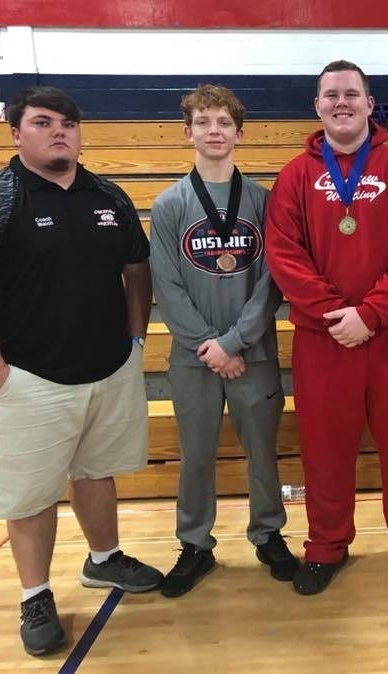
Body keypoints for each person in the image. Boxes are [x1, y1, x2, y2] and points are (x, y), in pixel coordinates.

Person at [0, 86, 162, 656]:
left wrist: (134, 340)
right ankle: (36, 595)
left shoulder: (108, 195)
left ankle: (104, 561)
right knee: (30, 497)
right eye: (44, 122)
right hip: (28, 377)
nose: (59, 132)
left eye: (68, 123)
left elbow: (136, 271)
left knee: (97, 472)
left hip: (106, 368)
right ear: (16, 133)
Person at [265, 60, 388, 594]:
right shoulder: (295, 176)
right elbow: (284, 255)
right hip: (323, 340)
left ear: (370, 104)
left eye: (351, 94)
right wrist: (335, 315)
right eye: (330, 95)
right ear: (317, 106)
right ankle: (325, 545)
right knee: (324, 448)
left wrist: (369, 314)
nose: (341, 102)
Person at [149, 84, 297, 598]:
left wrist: (235, 341)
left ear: (239, 132)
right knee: (195, 454)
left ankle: (269, 534)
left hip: (252, 352)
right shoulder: (169, 205)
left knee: (263, 451)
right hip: (194, 359)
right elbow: (165, 286)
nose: (214, 131)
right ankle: (194, 544)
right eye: (204, 122)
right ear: (187, 131)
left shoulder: (262, 200)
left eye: (224, 122)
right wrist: (210, 346)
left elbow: (274, 279)